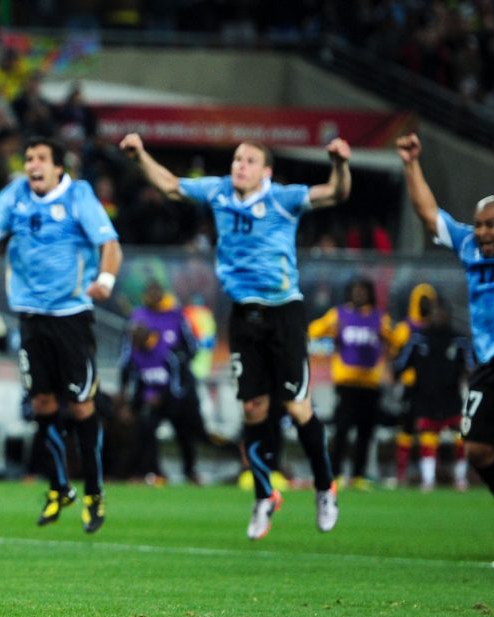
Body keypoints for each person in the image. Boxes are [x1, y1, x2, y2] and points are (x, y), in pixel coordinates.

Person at [120, 132, 350, 540]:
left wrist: (339, 164)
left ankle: (323, 486)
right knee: (253, 410)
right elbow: (171, 185)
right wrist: (140, 155)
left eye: (248, 161)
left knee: (297, 408)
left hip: (284, 313)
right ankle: (264, 494)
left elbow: (336, 193)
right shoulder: (219, 192)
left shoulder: (283, 198)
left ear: (266, 171)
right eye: (237, 159)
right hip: (244, 316)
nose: (239, 166)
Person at [0, 136, 122, 533]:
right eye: (29, 159)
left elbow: (109, 243)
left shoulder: (79, 196)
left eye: (40, 159)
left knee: (82, 405)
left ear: (58, 167)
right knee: (42, 402)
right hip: (30, 318)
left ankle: (94, 490)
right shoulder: (15, 195)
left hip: (71, 316)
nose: (32, 165)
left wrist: (105, 278)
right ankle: (58, 487)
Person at [397, 133, 494, 568]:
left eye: (490, 224)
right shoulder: (467, 243)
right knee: (480, 451)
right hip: (489, 362)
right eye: (479, 224)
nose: (482, 231)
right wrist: (411, 164)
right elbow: (429, 216)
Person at [308, 276, 395, 490]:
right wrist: (331, 330)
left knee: (366, 431)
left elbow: (395, 340)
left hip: (370, 383)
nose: (358, 294)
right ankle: (335, 473)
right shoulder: (339, 314)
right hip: (345, 382)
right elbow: (314, 330)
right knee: (342, 429)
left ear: (369, 294)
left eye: (363, 290)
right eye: (355, 290)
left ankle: (358, 475)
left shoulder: (379, 317)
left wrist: (387, 356)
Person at [118, 280, 204, 485]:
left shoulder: (176, 316)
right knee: (144, 428)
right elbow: (126, 359)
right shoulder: (136, 318)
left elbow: (192, 349)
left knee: (188, 431)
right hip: (151, 389)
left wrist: (177, 359)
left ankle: (190, 470)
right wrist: (126, 393)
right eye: (149, 292)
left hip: (178, 389)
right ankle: (151, 471)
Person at [393, 299, 473, 492]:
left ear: (448, 315)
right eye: (435, 313)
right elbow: (401, 364)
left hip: (452, 396)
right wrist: (396, 377)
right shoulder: (418, 338)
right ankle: (428, 479)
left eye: (442, 312)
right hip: (424, 395)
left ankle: (460, 478)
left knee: (460, 435)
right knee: (427, 435)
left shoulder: (459, 340)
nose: (438, 316)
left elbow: (472, 367)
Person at [389, 283, 438, 487]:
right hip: (410, 386)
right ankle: (401, 474)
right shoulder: (404, 329)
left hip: (432, 387)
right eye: (422, 300)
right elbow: (394, 355)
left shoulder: (436, 329)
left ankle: (427, 476)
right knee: (406, 428)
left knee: (430, 429)